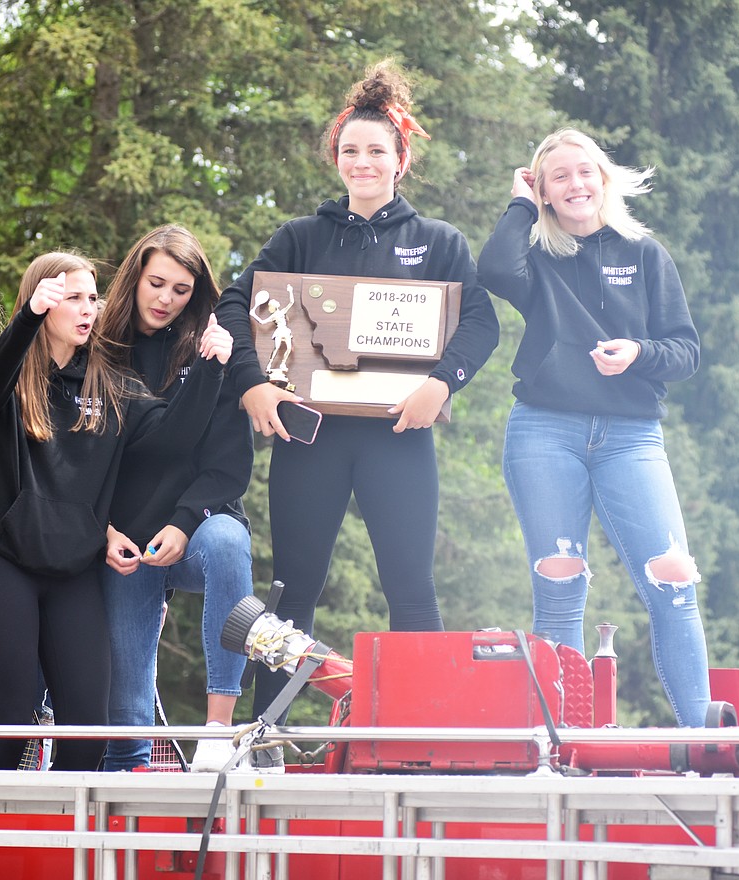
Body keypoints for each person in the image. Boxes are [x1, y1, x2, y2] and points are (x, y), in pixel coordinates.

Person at [213, 60, 500, 743]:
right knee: (294, 590)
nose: (363, 162)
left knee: (410, 584)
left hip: (399, 438)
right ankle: (271, 738)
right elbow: (232, 305)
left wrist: (442, 381)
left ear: (400, 159)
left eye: (377, 151)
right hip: (309, 438)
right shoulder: (300, 238)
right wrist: (251, 381)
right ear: (335, 160)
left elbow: (481, 323)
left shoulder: (438, 242)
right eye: (350, 151)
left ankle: (423, 738)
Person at [475, 128, 710, 727]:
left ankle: (702, 736)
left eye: (586, 172)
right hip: (544, 432)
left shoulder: (646, 253)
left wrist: (638, 352)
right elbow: (494, 269)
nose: (576, 184)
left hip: (632, 437)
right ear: (545, 192)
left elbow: (685, 351)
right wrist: (519, 205)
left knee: (675, 580)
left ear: (603, 178)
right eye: (559, 177)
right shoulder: (537, 257)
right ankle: (564, 744)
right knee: (559, 586)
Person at [0, 251, 231, 771]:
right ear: (42, 302)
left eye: (93, 298)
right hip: (3, 562)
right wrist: (27, 320)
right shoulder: (4, 366)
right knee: (13, 726)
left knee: (88, 737)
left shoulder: (111, 383)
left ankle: (60, 848)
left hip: (73, 571)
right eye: (72, 298)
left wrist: (209, 370)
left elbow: (174, 439)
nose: (87, 309)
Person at [94, 226, 254, 773]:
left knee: (230, 542)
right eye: (156, 283)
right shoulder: (99, 351)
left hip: (198, 526)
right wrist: (105, 529)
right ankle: (127, 764)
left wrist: (187, 521)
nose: (165, 299)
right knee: (128, 701)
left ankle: (217, 730)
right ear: (135, 277)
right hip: (124, 535)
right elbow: (99, 456)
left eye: (181, 290)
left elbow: (229, 465)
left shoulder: (215, 350)